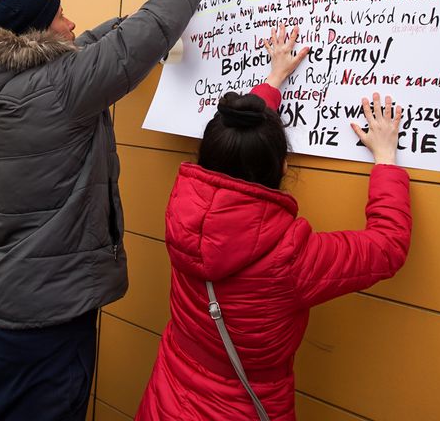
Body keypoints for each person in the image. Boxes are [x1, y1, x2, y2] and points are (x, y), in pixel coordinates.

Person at [0, 0, 211, 420]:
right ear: (36, 34)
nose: (70, 23)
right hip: (49, 316)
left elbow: (91, 46)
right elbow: (143, 35)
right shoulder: (63, 86)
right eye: (61, 16)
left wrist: (117, 25)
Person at [136, 24, 413, 420]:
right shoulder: (291, 257)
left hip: (167, 397)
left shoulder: (182, 212)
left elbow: (234, 139)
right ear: (282, 165)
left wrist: (273, 80)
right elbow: (387, 247)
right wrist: (386, 160)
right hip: (242, 409)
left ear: (208, 157)